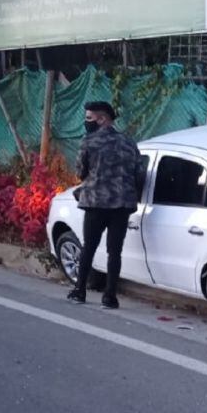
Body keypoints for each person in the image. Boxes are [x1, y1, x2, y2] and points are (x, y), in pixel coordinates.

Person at [67, 101, 141, 309]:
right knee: (114, 252)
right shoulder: (129, 142)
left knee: (89, 247)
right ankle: (110, 296)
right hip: (122, 205)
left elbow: (80, 172)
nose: (86, 122)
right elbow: (138, 173)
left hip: (95, 203)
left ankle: (80, 290)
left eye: (89, 118)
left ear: (102, 119)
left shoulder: (89, 142)